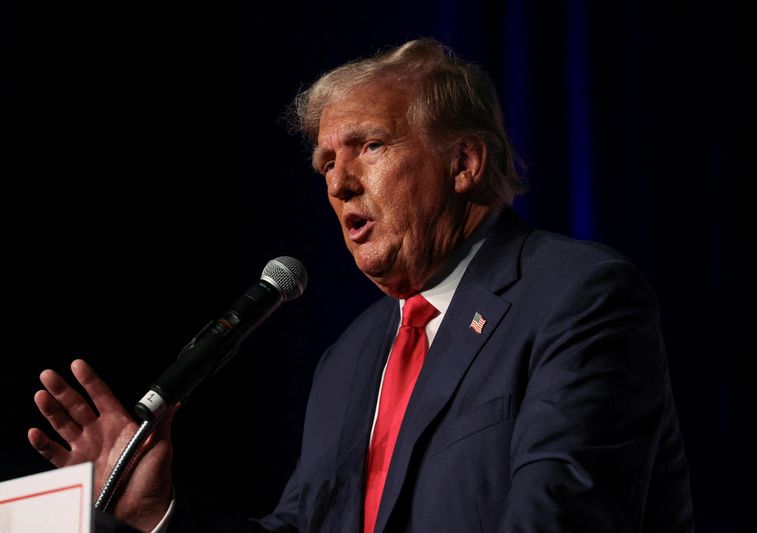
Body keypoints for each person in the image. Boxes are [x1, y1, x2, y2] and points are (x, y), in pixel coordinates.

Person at [28, 38, 694, 532]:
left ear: (464, 162)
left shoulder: (577, 295)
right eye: (325, 162)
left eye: (368, 146)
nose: (337, 182)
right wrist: (157, 511)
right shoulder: (350, 358)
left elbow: (558, 517)